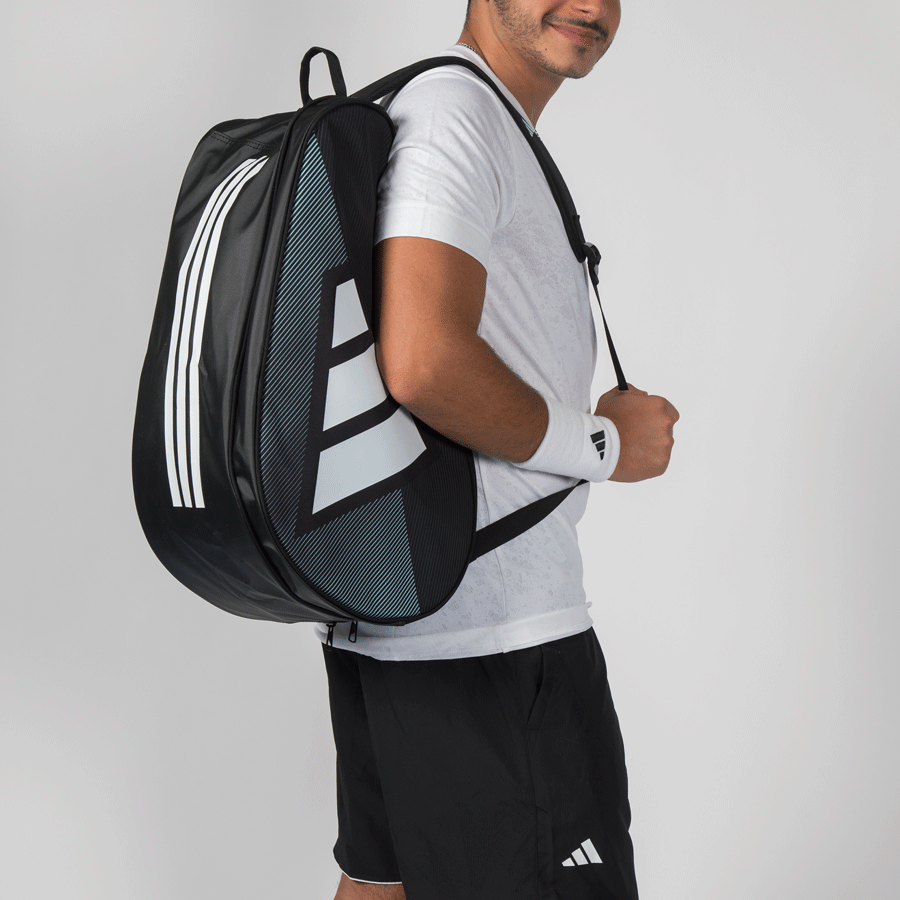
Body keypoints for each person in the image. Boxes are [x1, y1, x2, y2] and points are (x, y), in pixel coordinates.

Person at [315, 1, 679, 898]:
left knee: (378, 886)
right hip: (497, 645)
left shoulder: (453, 111)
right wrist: (604, 444)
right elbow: (424, 361)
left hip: (401, 619)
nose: (591, 6)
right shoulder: (459, 117)